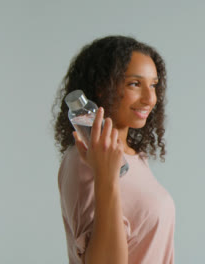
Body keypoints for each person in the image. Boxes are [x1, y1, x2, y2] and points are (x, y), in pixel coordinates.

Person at [53, 35, 175, 264]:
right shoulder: (84, 160)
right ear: (102, 87)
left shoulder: (135, 157)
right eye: (135, 84)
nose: (150, 98)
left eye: (153, 84)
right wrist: (106, 176)